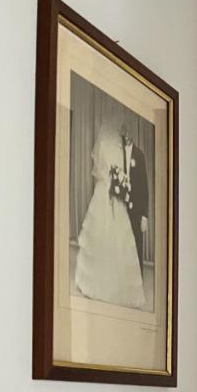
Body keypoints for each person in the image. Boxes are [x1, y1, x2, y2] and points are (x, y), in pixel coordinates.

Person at [74, 123, 146, 308]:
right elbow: (100, 172)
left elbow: (136, 182)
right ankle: (98, 282)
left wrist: (119, 186)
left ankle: (119, 284)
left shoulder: (127, 151)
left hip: (118, 198)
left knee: (119, 238)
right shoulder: (107, 146)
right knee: (102, 234)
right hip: (103, 194)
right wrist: (111, 184)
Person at [121, 125, 150, 268]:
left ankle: (138, 277)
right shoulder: (118, 153)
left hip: (137, 210)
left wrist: (144, 215)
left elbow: (144, 187)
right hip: (121, 207)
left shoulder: (139, 155)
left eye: (128, 132)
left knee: (136, 243)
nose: (126, 135)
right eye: (124, 132)